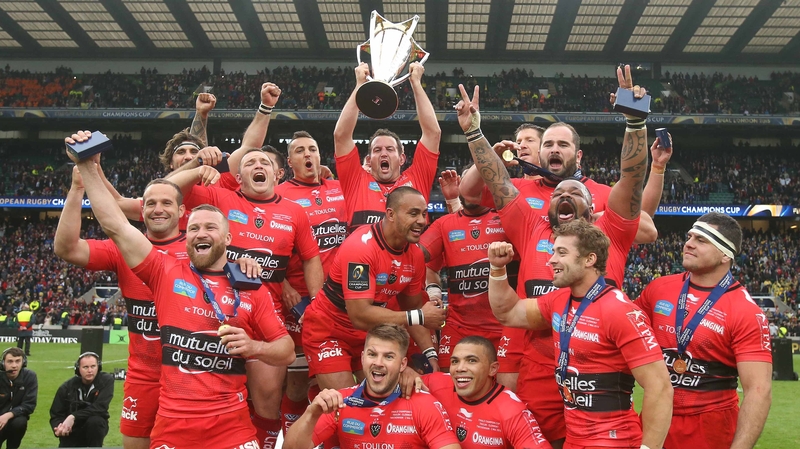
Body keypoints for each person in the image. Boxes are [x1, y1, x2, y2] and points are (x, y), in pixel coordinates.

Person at [455, 66, 659, 447]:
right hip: (538, 352)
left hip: (597, 360)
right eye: (557, 193)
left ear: (593, 205)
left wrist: (634, 122)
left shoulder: (609, 230)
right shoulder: (531, 225)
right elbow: (496, 178)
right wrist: (473, 131)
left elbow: (631, 179)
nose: (564, 194)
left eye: (575, 191)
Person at [66, 131, 295, 448]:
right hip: (174, 428)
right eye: (196, 228)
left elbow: (285, 350)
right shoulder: (165, 271)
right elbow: (115, 224)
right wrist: (87, 167)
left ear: (228, 239)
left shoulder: (250, 287)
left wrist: (254, 347)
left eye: (211, 227)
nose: (202, 233)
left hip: (232, 428)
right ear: (185, 237)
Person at [169, 146, 323, 449]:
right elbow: (170, 190)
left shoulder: (294, 211)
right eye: (250, 162)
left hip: (266, 315)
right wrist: (198, 165)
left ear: (277, 175)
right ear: (238, 177)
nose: (258, 165)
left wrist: (317, 302)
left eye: (264, 162)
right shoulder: (220, 198)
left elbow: (310, 258)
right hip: (213, 312)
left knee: (267, 403)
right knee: (209, 393)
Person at [487, 220, 673, 449]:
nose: (551, 259)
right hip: (575, 439)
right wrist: (497, 269)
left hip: (614, 442)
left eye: (561, 252)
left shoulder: (620, 311)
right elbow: (508, 313)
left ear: (589, 259)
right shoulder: (558, 301)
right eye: (553, 251)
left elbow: (660, 387)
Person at [54, 165, 190, 449]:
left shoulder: (199, 249)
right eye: (150, 203)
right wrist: (77, 189)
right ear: (141, 212)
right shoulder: (122, 250)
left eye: (167, 203)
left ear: (181, 211)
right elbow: (67, 248)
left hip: (188, 375)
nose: (158, 209)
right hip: (142, 376)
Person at [637, 212, 773, 449]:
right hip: (654, 418)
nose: (688, 243)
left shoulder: (746, 312)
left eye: (702, 240)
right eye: (690, 236)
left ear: (724, 254)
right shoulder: (658, 288)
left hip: (710, 429)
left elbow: (758, 391)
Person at [301, 187, 446, 391]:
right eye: (413, 213)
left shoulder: (415, 255)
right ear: (391, 214)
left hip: (372, 331)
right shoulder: (361, 248)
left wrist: (430, 354)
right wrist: (420, 316)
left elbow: (414, 309)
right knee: (344, 405)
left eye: (423, 214)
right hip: (330, 330)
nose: (422, 221)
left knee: (384, 399)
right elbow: (359, 315)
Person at [273, 130, 349, 434]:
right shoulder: (280, 194)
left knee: (330, 382)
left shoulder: (339, 188)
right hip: (301, 302)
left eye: (313, 149)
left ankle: (328, 439)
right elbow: (269, 248)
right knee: (296, 384)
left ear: (320, 156)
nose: (308, 155)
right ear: (290, 161)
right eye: (300, 151)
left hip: (342, 301)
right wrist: (284, 286)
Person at [284, 324, 460, 449]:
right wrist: (311, 413)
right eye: (372, 354)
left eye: (389, 357)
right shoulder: (342, 401)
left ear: (402, 364)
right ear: (362, 358)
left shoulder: (424, 404)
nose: (378, 363)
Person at [334, 62, 441, 231]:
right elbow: (341, 136)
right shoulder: (356, 181)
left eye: (390, 149)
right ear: (369, 160)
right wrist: (359, 86)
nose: (383, 153)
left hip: (409, 258)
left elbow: (433, 133)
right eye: (377, 150)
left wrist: (416, 84)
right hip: (362, 258)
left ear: (402, 158)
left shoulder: (417, 179)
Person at [415, 336, 552, 449]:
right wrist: (408, 374)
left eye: (471, 361)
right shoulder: (437, 383)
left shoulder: (510, 409)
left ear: (493, 369)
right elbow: (400, 379)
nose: (460, 368)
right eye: (455, 361)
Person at [49, 352, 114, 448]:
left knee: (95, 421)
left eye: (93, 366)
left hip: (94, 426)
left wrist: (73, 416)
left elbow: (100, 407)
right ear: (78, 369)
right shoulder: (66, 387)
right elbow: (56, 413)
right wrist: (60, 427)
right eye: (85, 367)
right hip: (72, 429)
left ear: (98, 367)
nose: (90, 370)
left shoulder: (106, 381)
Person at [0, 348, 37, 449]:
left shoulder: (30, 376)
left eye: (18, 361)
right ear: (3, 363)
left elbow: (29, 405)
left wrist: (8, 415)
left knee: (20, 422)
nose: (14, 365)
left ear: (23, 362)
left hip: (14, 420)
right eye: (10, 361)